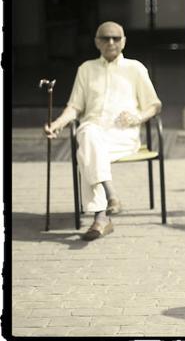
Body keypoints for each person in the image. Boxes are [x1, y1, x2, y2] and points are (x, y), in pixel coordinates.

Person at [44, 21, 162, 241]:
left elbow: (154, 105)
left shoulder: (135, 68)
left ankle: (102, 215)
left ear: (124, 41)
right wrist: (57, 124)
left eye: (116, 38)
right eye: (105, 38)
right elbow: (75, 107)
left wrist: (138, 117)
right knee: (88, 135)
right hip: (94, 131)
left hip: (122, 136)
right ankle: (107, 204)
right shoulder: (86, 69)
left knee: (87, 151)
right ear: (97, 42)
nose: (111, 42)